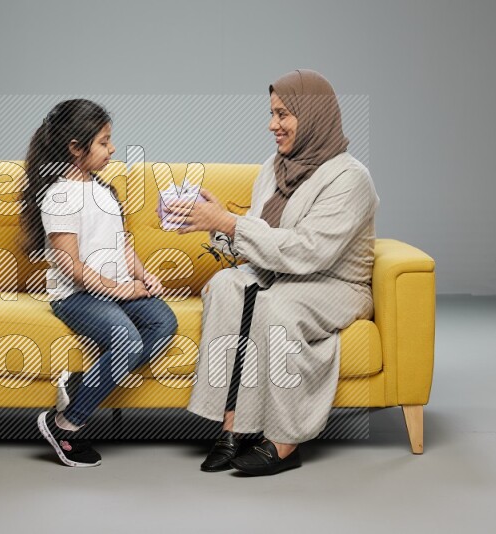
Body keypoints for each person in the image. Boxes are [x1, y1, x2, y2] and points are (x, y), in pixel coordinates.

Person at [166, 69, 379, 476]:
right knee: (227, 286)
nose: (272, 125)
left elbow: (309, 250)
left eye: (283, 114)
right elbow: (265, 236)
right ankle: (234, 424)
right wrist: (219, 223)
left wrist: (231, 224)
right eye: (271, 113)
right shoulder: (275, 166)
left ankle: (284, 441)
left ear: (312, 115)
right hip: (284, 272)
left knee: (277, 307)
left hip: (334, 283)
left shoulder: (350, 179)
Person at [20, 99, 178, 468]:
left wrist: (142, 275)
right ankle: (65, 424)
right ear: (76, 147)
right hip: (76, 295)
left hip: (115, 290)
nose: (113, 149)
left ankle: (79, 385)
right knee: (125, 339)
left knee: (164, 322)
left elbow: (122, 245)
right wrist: (121, 290)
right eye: (104, 142)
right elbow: (69, 264)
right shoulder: (59, 196)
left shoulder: (104, 191)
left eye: (111, 141)